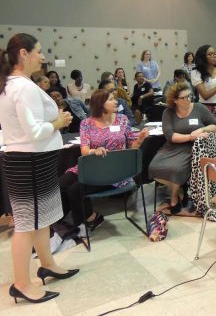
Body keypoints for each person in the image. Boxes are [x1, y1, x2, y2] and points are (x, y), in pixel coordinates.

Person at [0, 33, 76, 304]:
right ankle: (21, 283)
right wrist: (60, 121)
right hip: (28, 163)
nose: (43, 57)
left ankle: (47, 264)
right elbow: (34, 131)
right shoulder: (22, 87)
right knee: (25, 225)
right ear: (23, 53)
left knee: (41, 219)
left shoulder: (16, 85)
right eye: (39, 51)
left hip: (33, 163)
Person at [58, 89, 149, 229]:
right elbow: (84, 150)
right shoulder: (87, 123)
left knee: (74, 190)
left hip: (115, 170)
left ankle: (90, 219)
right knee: (61, 184)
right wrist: (95, 151)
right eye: (111, 99)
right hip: (93, 165)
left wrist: (140, 139)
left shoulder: (122, 119)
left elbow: (132, 147)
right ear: (100, 103)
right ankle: (59, 221)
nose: (116, 101)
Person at [148, 82, 216, 213]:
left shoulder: (199, 108)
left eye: (189, 96)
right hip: (172, 147)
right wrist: (190, 136)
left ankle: (174, 197)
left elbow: (214, 126)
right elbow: (170, 136)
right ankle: (180, 189)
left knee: (176, 169)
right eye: (184, 97)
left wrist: (202, 129)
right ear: (175, 100)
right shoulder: (168, 112)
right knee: (153, 167)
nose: (188, 99)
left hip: (193, 148)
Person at [191, 45, 216, 159]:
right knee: (207, 144)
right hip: (204, 110)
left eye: (215, 53)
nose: (213, 56)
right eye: (210, 54)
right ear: (203, 57)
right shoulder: (196, 72)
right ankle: (208, 175)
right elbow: (205, 95)